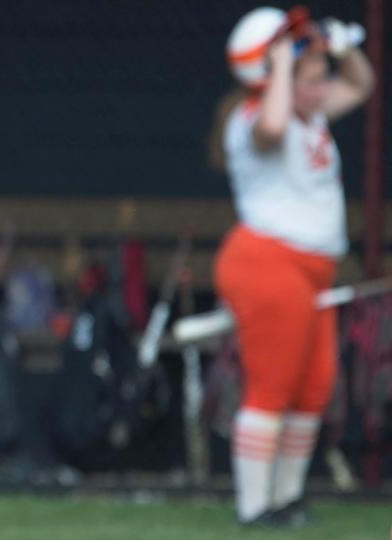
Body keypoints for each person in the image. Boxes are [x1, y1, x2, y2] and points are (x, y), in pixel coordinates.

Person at [211, 6, 373, 527]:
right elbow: (273, 125)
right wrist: (280, 65)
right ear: (271, 72)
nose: (321, 82)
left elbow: (362, 83)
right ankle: (254, 507)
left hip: (312, 272)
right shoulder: (250, 120)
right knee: (273, 385)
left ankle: (285, 498)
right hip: (267, 263)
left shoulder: (313, 113)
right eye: (309, 75)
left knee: (314, 386)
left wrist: (337, 48)